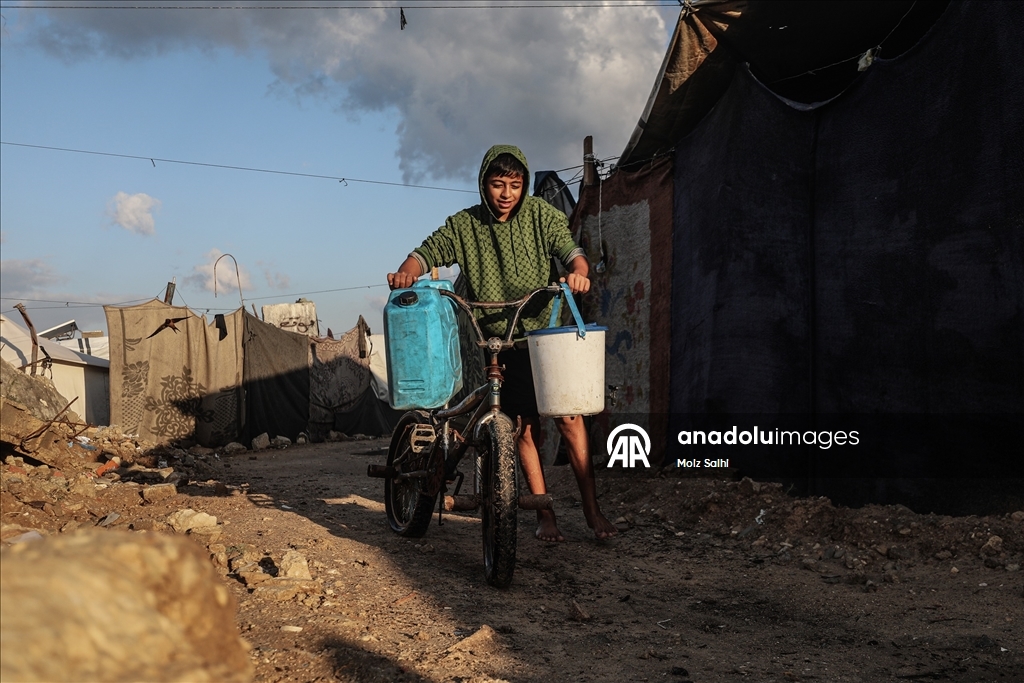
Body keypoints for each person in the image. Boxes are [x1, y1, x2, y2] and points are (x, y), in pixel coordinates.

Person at [387, 144, 618, 541]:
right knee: (523, 429)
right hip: (495, 340)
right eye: (498, 184)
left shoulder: (542, 216)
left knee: (569, 417)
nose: (507, 193)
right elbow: (430, 250)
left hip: (542, 336)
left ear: (525, 184)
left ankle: (593, 512)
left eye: (515, 184)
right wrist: (408, 270)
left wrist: (579, 270)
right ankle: (544, 515)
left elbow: (569, 249)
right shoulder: (466, 225)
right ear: (484, 185)